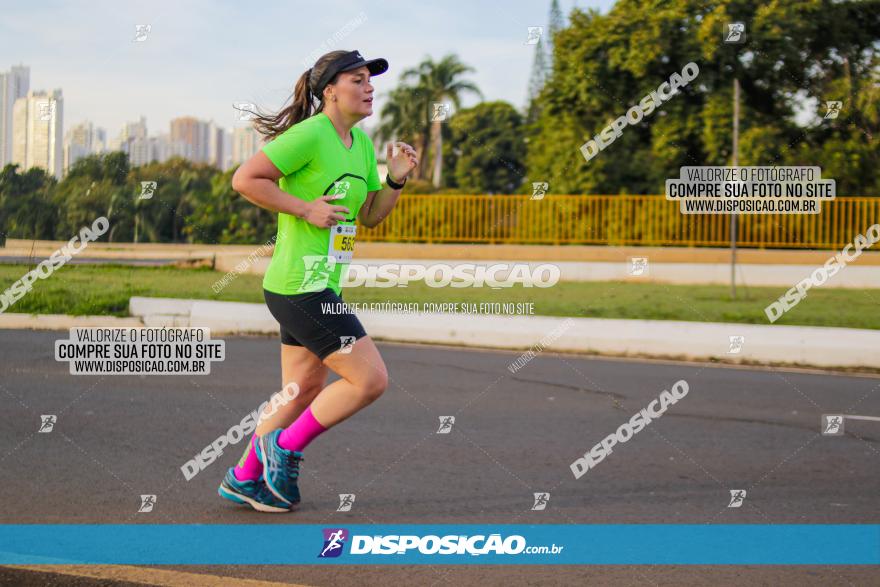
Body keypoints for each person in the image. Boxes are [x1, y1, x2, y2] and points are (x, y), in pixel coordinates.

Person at [217, 49, 418, 512]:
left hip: (321, 284)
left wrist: (395, 182)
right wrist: (307, 208)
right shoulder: (310, 135)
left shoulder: (362, 145)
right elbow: (246, 179)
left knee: (301, 391)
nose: (369, 88)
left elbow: (369, 216)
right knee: (369, 380)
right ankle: (283, 449)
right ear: (329, 90)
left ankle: (245, 477)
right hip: (299, 286)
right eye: (358, 79)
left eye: (370, 81)